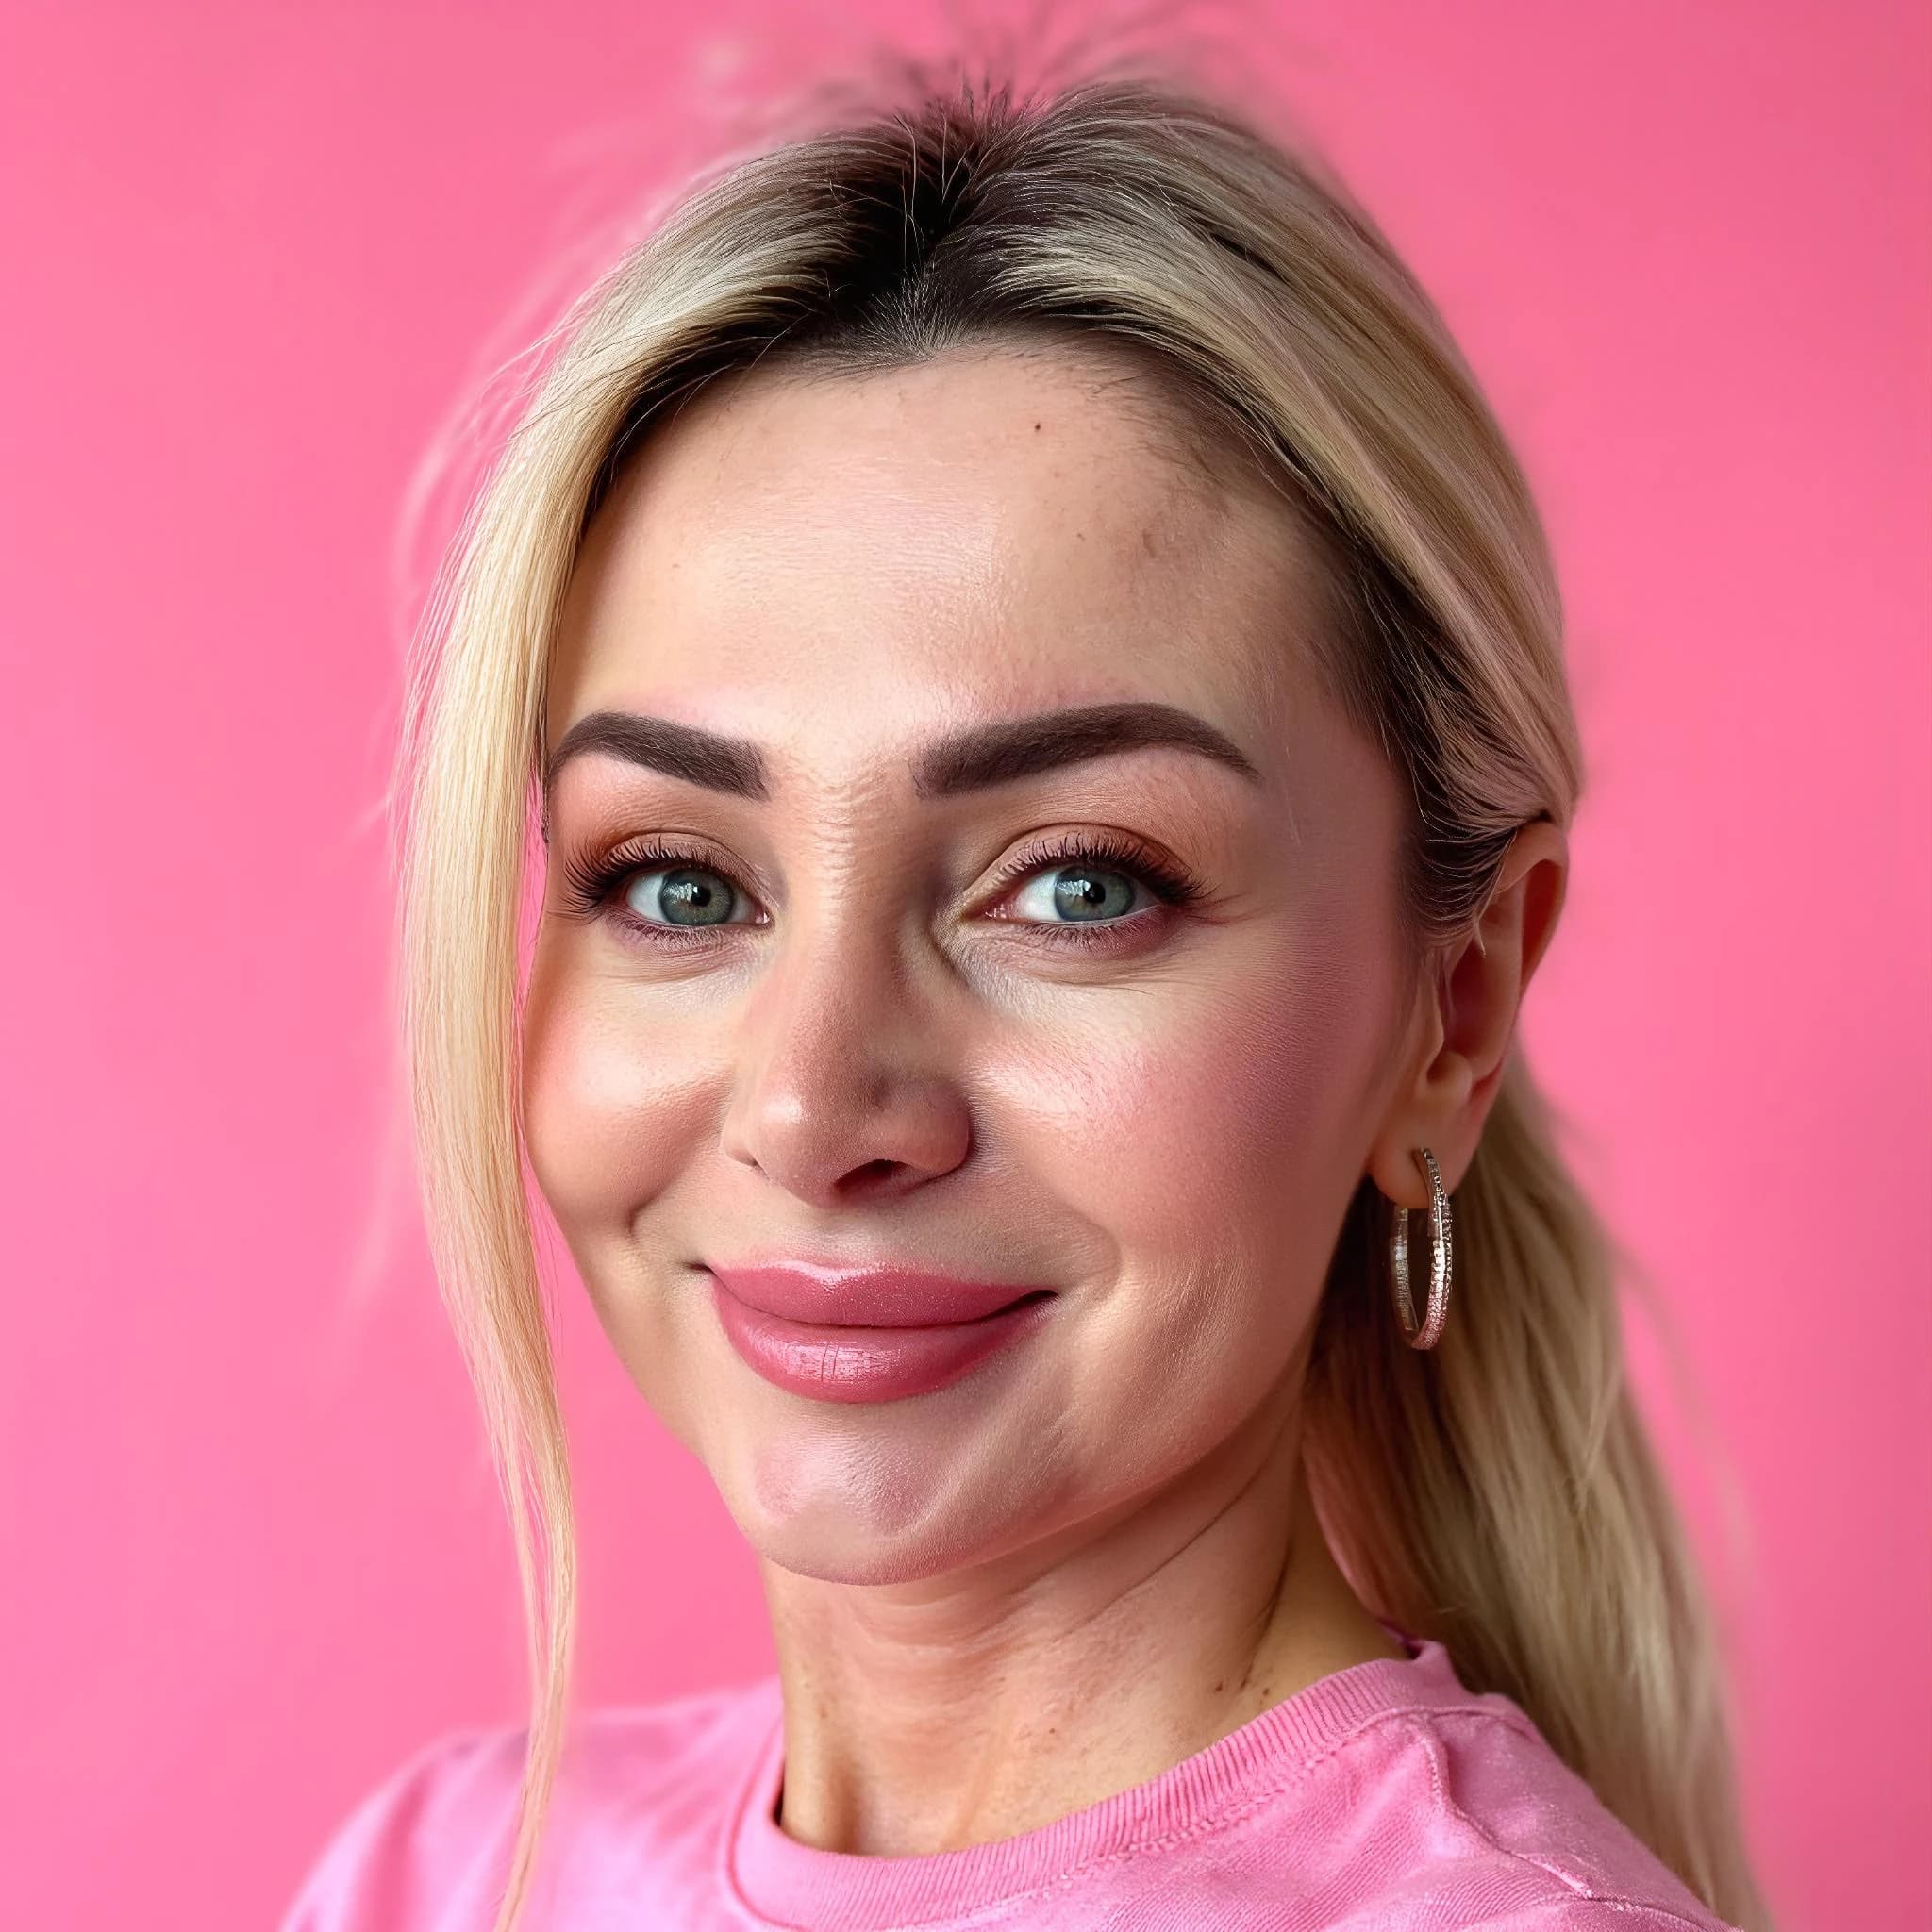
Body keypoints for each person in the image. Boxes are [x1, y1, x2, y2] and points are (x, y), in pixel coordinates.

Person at [281, 51, 1773, 1932]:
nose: (814, 1106)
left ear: (1448, 1016)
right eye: (680, 881)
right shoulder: (431, 1883)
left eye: (1078, 885)